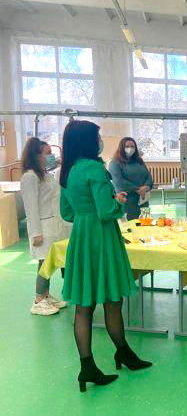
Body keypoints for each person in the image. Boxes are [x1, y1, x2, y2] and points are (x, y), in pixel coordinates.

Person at [59, 121, 152, 392]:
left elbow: (67, 212)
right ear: (88, 141)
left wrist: (87, 213)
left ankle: (87, 366)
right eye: (97, 137)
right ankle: (123, 352)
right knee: (112, 300)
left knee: (84, 305)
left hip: (81, 238)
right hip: (102, 238)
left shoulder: (68, 171)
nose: (100, 141)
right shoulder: (95, 168)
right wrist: (117, 203)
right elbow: (105, 211)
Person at [21, 138, 68, 316]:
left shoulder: (45, 175)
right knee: (44, 263)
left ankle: (46, 295)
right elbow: (31, 207)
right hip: (42, 228)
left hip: (53, 226)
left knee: (50, 262)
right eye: (47, 153)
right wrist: (36, 233)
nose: (51, 156)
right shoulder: (29, 177)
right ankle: (38, 301)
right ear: (36, 155)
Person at [109, 137, 153, 221]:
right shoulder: (115, 163)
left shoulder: (139, 161)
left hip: (143, 200)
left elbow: (148, 175)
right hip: (128, 200)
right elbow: (119, 182)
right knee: (130, 225)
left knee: (144, 223)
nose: (130, 149)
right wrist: (138, 189)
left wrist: (147, 187)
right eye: (127, 146)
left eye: (133, 146)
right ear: (122, 148)